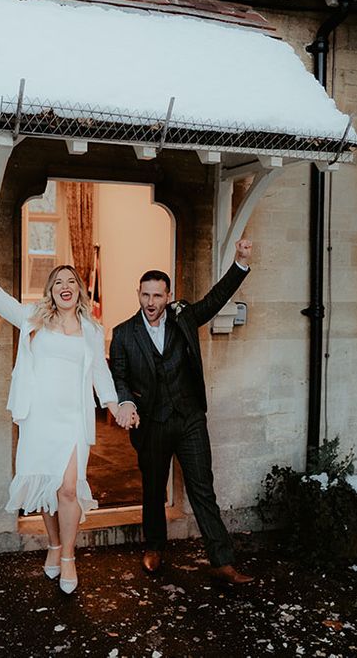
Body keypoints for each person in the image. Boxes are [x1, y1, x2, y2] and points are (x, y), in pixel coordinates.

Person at [0, 246, 136, 594]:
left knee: (68, 488)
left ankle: (68, 556)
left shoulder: (92, 330)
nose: (65, 286)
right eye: (58, 283)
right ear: (51, 292)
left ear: (79, 289)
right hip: (39, 417)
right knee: (48, 489)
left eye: (71, 281)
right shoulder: (33, 319)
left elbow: (100, 372)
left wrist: (115, 406)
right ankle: (54, 544)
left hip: (73, 419)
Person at [109, 239, 255, 585]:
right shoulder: (123, 334)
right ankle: (154, 547)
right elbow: (118, 376)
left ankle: (223, 561)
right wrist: (126, 402)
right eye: (145, 295)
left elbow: (216, 299)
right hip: (151, 424)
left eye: (157, 296)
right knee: (153, 489)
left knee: (203, 488)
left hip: (189, 419)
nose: (150, 302)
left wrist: (239, 263)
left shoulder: (183, 318)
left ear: (168, 296)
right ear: (139, 294)